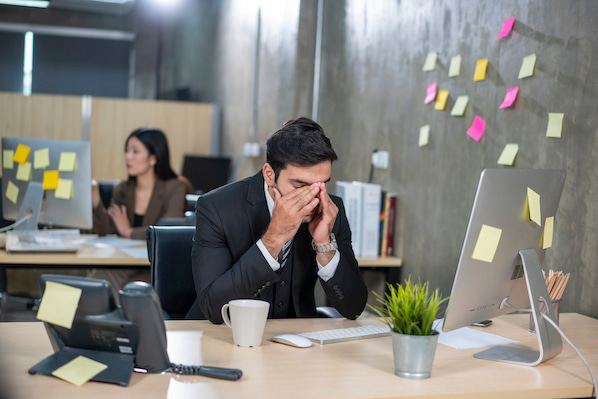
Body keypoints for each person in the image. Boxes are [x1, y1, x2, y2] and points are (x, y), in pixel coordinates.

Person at [189, 117, 368, 323]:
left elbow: (354, 308)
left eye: (321, 185)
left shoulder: (330, 211)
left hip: (298, 343)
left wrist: (324, 245)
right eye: (300, 186)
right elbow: (213, 307)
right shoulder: (217, 208)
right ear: (269, 175)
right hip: (225, 335)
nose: (313, 198)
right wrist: (273, 239)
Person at [90, 127, 186, 291]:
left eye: (135, 152)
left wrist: (128, 232)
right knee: (98, 278)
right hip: (126, 262)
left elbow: (168, 231)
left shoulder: (175, 188)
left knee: (108, 282)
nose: (128, 157)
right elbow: (107, 229)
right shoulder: (122, 189)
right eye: (127, 151)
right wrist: (95, 199)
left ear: (153, 158)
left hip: (155, 266)